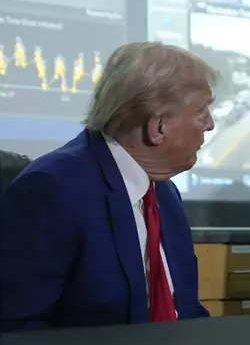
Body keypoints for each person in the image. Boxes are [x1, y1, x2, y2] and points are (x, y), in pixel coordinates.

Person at [0, 42, 216, 331]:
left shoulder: (164, 192)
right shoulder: (53, 190)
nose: (210, 124)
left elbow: (186, 311)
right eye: (202, 111)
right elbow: (18, 328)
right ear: (159, 126)